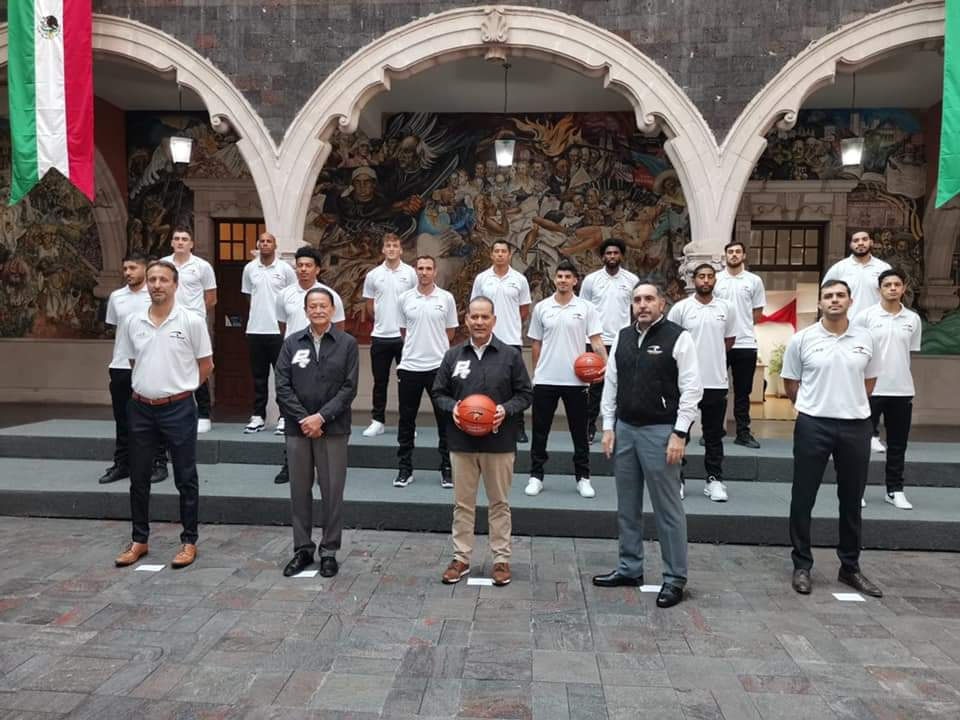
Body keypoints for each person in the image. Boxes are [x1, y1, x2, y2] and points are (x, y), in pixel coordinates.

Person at [593, 279, 702, 609]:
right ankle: (630, 568)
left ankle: (675, 578)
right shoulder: (623, 337)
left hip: (661, 432)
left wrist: (680, 433)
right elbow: (611, 383)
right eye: (637, 299)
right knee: (627, 505)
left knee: (668, 509)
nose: (642, 304)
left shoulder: (678, 337)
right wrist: (608, 426)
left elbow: (692, 389)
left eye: (649, 299)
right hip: (625, 430)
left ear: (661, 304)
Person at [781, 279, 883, 598]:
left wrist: (848, 403)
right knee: (803, 497)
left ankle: (849, 567)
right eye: (828, 296)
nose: (834, 300)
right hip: (813, 424)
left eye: (840, 295)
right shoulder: (802, 339)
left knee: (851, 498)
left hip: (856, 426)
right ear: (820, 303)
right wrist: (814, 407)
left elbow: (869, 382)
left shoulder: (866, 338)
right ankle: (802, 565)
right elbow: (791, 383)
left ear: (850, 301)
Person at [113, 260, 213, 569]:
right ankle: (139, 540)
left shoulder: (191, 320)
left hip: (179, 408)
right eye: (152, 279)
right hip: (141, 408)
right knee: (139, 477)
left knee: (185, 477)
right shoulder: (132, 321)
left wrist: (181, 388)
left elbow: (206, 365)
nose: (157, 285)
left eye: (163, 280)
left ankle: (189, 541)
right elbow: (134, 361)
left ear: (175, 285)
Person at [432, 296, 533, 586]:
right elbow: (438, 393)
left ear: (494, 320)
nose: (479, 322)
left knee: (499, 503)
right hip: (461, 442)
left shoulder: (510, 355)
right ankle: (461, 558)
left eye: (484, 317)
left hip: (499, 443)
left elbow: (525, 394)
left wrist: (505, 409)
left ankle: (501, 559)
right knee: (462, 504)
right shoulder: (453, 355)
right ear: (466, 320)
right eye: (474, 317)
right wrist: (454, 407)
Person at [275, 287, 359, 578]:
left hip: (333, 429)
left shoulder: (347, 344)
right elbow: (282, 385)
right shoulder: (291, 343)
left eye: (324, 305)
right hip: (298, 429)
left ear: (333, 310)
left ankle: (329, 551)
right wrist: (304, 419)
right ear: (306, 310)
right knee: (299, 491)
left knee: (332, 491)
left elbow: (349, 388)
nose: (318, 310)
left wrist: (321, 417)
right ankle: (302, 549)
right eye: (313, 306)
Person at [525, 260, 606, 499]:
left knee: (579, 433)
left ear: (575, 281)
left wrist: (607, 366)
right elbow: (536, 343)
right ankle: (536, 476)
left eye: (567, 277)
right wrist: (536, 374)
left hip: (576, 381)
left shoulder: (586, 308)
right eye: (559, 276)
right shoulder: (542, 307)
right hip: (546, 380)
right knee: (540, 432)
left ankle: (583, 478)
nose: (562, 280)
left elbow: (596, 341)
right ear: (554, 279)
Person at [273, 246, 345, 484]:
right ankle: (289, 465)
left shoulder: (329, 295)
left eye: (308, 265)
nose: (303, 269)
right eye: (300, 265)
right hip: (296, 361)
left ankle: (323, 466)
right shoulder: (285, 294)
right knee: (291, 413)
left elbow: (339, 331)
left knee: (322, 412)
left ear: (317, 269)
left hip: (324, 362)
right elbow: (283, 327)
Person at [667, 263, 735, 502]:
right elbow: (672, 342)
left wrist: (711, 358)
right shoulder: (681, 308)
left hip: (716, 382)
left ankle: (714, 480)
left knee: (714, 435)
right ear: (693, 280)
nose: (705, 280)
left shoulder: (727, 308)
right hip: (685, 383)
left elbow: (728, 341)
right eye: (701, 276)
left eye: (710, 276)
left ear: (715, 280)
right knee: (680, 432)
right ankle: (677, 479)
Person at [854, 268, 921, 509]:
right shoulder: (865, 317)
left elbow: (909, 352)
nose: (892, 288)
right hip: (869, 389)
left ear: (904, 288)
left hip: (901, 391)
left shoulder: (913, 319)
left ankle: (894, 490)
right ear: (879, 289)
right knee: (860, 444)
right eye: (887, 285)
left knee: (897, 445)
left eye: (897, 284)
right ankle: (856, 491)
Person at [100, 251, 169, 485]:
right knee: (122, 419)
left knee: (155, 418)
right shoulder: (116, 297)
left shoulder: (155, 296)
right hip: (121, 365)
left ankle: (158, 463)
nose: (127, 273)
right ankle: (123, 464)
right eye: (125, 269)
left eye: (132, 268)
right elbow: (115, 328)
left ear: (145, 269)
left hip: (151, 365)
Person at [395, 255, 459, 488]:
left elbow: (450, 332)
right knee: (406, 421)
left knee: (445, 421)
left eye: (428, 268)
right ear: (415, 271)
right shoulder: (404, 298)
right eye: (420, 268)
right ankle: (405, 469)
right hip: (410, 367)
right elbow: (403, 331)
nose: (424, 272)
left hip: (438, 368)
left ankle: (447, 469)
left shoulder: (446, 298)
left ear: (435, 271)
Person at [470, 240, 532, 441]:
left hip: (511, 339)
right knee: (484, 383)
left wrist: (509, 323)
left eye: (503, 251)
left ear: (509, 254)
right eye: (496, 251)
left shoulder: (519, 279)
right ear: (491, 254)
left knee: (515, 386)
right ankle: (482, 422)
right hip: (485, 341)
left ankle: (518, 427)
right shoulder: (482, 278)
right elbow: (475, 307)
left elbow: (524, 310)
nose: (500, 254)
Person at [579, 238, 639, 444]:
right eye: (608, 253)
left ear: (621, 256)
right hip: (596, 340)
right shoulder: (591, 280)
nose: (612, 256)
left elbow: (636, 311)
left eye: (615, 253)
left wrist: (634, 336)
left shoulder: (632, 280)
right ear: (603, 256)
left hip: (622, 341)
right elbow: (584, 310)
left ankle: (618, 428)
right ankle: (589, 427)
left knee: (621, 386)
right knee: (595, 388)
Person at [361, 233, 418, 438]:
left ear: (401, 250)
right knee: (380, 382)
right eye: (388, 246)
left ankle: (407, 424)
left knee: (407, 382)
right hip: (380, 336)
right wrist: (381, 319)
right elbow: (369, 304)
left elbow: (415, 301)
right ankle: (378, 421)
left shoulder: (411, 274)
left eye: (395, 246)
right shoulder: (373, 275)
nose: (392, 249)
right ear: (383, 249)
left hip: (405, 338)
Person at [162, 226, 217, 433]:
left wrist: (194, 316)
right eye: (176, 238)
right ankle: (170, 410)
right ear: (171, 242)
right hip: (167, 321)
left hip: (194, 324)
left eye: (184, 239)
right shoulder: (163, 265)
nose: (180, 242)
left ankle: (203, 413)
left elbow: (211, 298)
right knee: (169, 364)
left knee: (198, 365)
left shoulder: (202, 266)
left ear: (191, 244)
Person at [241, 231, 296, 435]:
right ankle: (258, 416)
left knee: (283, 376)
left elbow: (292, 296)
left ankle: (284, 417)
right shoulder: (249, 268)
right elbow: (248, 295)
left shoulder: (285, 269)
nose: (265, 244)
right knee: (258, 376)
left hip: (278, 331)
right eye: (262, 241)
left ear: (275, 245)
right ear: (258, 245)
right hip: (255, 330)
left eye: (269, 241)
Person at [713, 240, 765, 449]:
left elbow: (757, 313)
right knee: (716, 390)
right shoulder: (716, 280)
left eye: (737, 252)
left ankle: (743, 433)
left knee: (743, 392)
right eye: (730, 252)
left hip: (745, 343)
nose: (734, 255)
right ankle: (714, 431)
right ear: (725, 256)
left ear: (744, 256)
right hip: (719, 344)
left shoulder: (754, 281)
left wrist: (741, 327)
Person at [822, 230, 892, 320]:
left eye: (864, 239)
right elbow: (825, 295)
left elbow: (892, 296)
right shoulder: (839, 268)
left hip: (877, 322)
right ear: (850, 245)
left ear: (871, 242)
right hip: (847, 322)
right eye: (856, 240)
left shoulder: (884, 268)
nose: (860, 243)